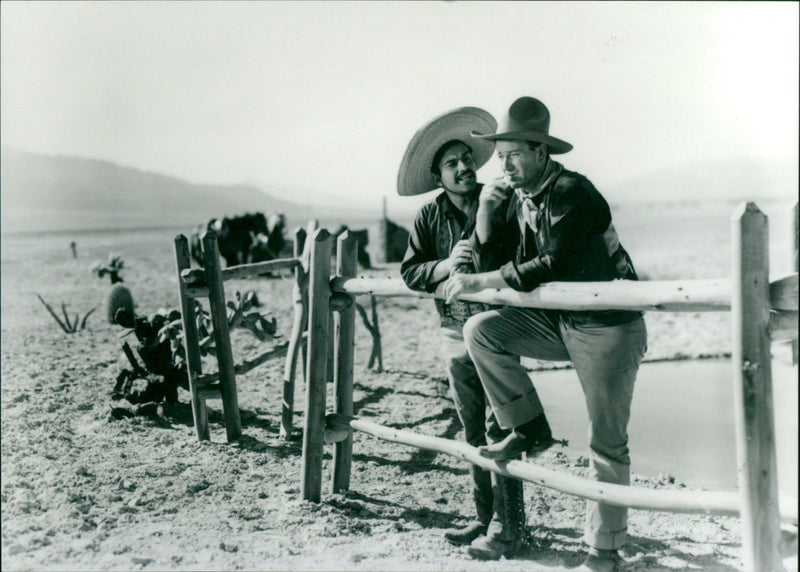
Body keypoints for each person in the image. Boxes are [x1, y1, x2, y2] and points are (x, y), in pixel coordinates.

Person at [443, 96, 647, 572]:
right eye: (501, 156)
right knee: (482, 331)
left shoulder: (573, 190)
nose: (505, 166)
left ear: (541, 152)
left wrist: (480, 280)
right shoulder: (519, 198)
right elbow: (500, 260)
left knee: (606, 441)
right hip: (561, 322)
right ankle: (529, 429)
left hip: (608, 325)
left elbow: (551, 262)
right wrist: (486, 213)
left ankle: (604, 551)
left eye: (515, 155)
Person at [399, 107, 553, 560]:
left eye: (467, 158)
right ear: (437, 175)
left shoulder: (500, 199)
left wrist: (481, 254)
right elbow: (410, 271)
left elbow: (520, 255)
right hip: (452, 332)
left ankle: (510, 526)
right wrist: (446, 265)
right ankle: (486, 518)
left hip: (496, 332)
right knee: (472, 430)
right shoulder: (429, 216)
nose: (464, 167)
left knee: (500, 424)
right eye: (452, 163)